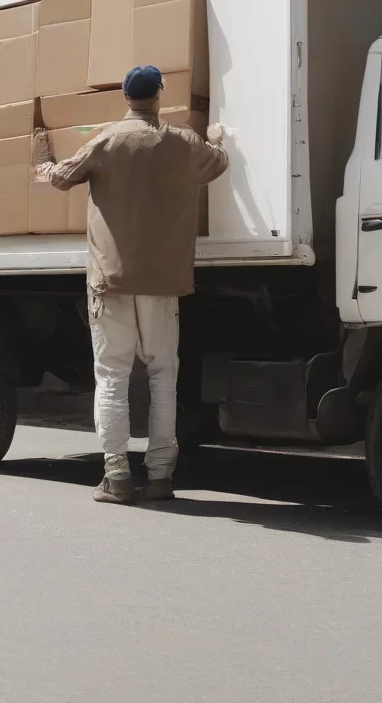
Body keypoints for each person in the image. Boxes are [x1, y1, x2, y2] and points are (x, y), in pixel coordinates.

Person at [33, 65, 229, 505]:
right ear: (159, 95)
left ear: (125, 97)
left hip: (111, 279)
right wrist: (217, 138)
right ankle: (160, 476)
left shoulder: (107, 140)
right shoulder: (183, 142)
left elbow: (60, 178)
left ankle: (116, 475)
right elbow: (218, 163)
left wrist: (42, 156)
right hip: (163, 281)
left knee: (112, 375)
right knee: (164, 375)